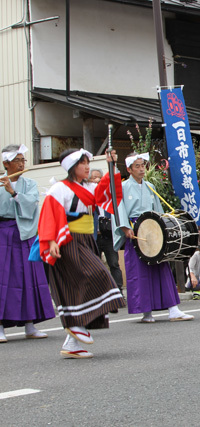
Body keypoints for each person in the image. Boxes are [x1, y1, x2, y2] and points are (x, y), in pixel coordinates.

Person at [38, 148, 125, 358]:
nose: (87, 167)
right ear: (71, 167)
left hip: (87, 240)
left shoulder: (89, 186)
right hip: (68, 240)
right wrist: (50, 241)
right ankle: (75, 326)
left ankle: (72, 342)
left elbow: (109, 191)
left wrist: (111, 165)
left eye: (88, 163)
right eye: (82, 163)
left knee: (78, 285)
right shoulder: (59, 188)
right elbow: (48, 214)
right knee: (96, 275)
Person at [113, 152, 194, 323]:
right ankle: (146, 312)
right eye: (137, 166)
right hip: (135, 230)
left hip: (153, 229)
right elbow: (118, 207)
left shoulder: (150, 186)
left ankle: (173, 309)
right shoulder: (123, 187)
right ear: (129, 169)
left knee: (161, 267)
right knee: (140, 271)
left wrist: (163, 228)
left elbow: (158, 210)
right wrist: (125, 227)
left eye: (143, 165)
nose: (142, 169)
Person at [0, 145, 55, 344]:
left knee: (28, 277)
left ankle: (30, 325)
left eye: (23, 159)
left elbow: (31, 205)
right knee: (3, 279)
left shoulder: (29, 184)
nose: (22, 163)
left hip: (25, 233)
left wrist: (13, 192)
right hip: (3, 233)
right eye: (17, 160)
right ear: (6, 164)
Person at [89, 167, 124, 294]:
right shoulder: (88, 197)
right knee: (94, 266)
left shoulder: (108, 197)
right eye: (94, 178)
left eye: (99, 178)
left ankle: (118, 291)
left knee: (114, 263)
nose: (97, 181)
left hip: (109, 236)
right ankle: (98, 293)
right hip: (94, 237)